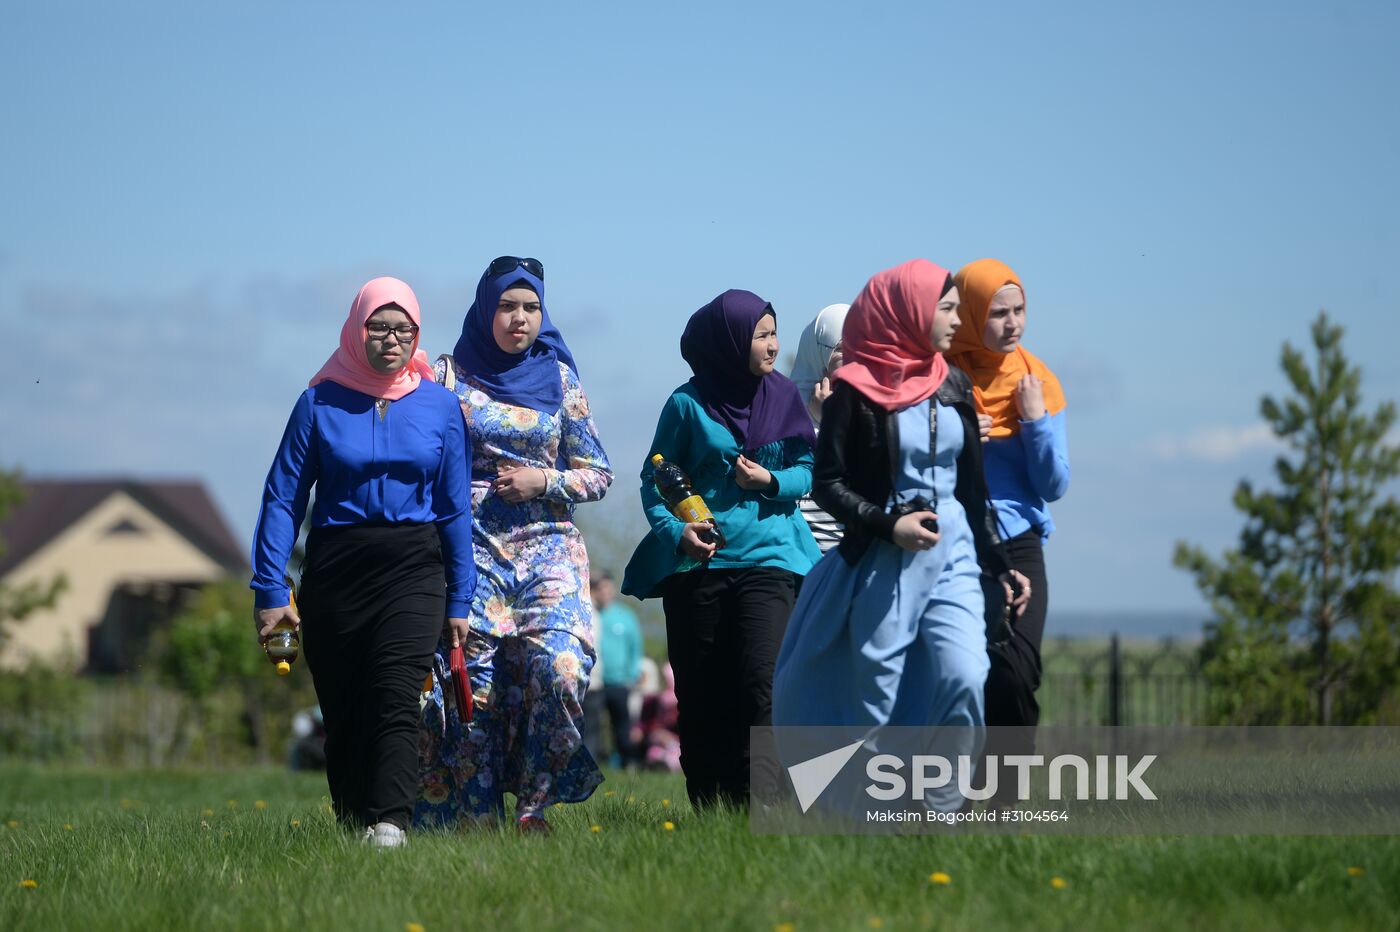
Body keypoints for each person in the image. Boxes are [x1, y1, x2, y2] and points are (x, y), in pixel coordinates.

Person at [771, 260, 1030, 812]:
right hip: (885, 560)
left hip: (955, 555)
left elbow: (974, 492)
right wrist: (889, 524)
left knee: (965, 675)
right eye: (947, 308)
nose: (959, 320)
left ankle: (940, 814)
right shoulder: (854, 392)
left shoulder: (955, 384)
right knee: (874, 700)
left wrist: (1000, 565)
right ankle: (860, 815)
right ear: (909, 312)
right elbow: (828, 484)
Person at [251, 276, 474, 848]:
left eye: (404, 329)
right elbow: (283, 498)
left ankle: (391, 823)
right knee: (345, 712)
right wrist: (271, 589)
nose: (391, 338)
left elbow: (453, 509)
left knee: (395, 693)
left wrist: (460, 597)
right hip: (335, 569)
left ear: (417, 334)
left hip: (413, 566)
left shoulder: (441, 407)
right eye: (379, 326)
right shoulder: (317, 403)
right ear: (357, 330)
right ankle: (354, 823)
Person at [415, 256, 612, 834]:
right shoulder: (450, 377)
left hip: (548, 547)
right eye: (507, 306)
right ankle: (476, 815)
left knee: (562, 667)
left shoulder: (560, 380)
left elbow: (596, 473)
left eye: (530, 307)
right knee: (473, 682)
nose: (519, 318)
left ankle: (534, 805)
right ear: (485, 310)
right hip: (470, 547)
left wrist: (543, 480)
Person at [622, 289, 821, 809]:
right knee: (702, 691)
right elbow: (654, 480)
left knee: (762, 685)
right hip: (699, 564)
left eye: (774, 332)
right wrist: (676, 533)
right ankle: (712, 810)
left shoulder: (784, 398)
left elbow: (808, 470)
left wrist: (770, 481)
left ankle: (762, 808)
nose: (773, 344)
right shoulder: (687, 404)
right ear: (729, 342)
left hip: (771, 559)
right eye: (762, 335)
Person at [949, 258, 1069, 808]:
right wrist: (958, 436)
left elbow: (1053, 483)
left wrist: (1036, 422)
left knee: (1016, 673)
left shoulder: (1037, 380)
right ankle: (948, 799)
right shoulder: (941, 376)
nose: (1013, 322)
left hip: (1020, 543)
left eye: (1020, 310)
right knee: (961, 673)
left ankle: (1004, 806)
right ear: (971, 313)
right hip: (953, 538)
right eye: (998, 312)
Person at [787, 303, 850, 553]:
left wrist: (829, 423)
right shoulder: (782, 411)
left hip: (852, 555)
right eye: (843, 349)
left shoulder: (873, 409)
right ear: (818, 354)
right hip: (800, 555)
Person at [592, 570, 643, 767]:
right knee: (593, 727)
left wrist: (632, 674)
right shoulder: (591, 614)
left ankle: (629, 763)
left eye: (607, 587)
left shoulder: (625, 616)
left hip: (620, 682)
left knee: (622, 726)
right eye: (599, 588)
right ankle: (595, 766)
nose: (604, 592)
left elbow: (635, 647)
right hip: (595, 683)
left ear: (612, 589)